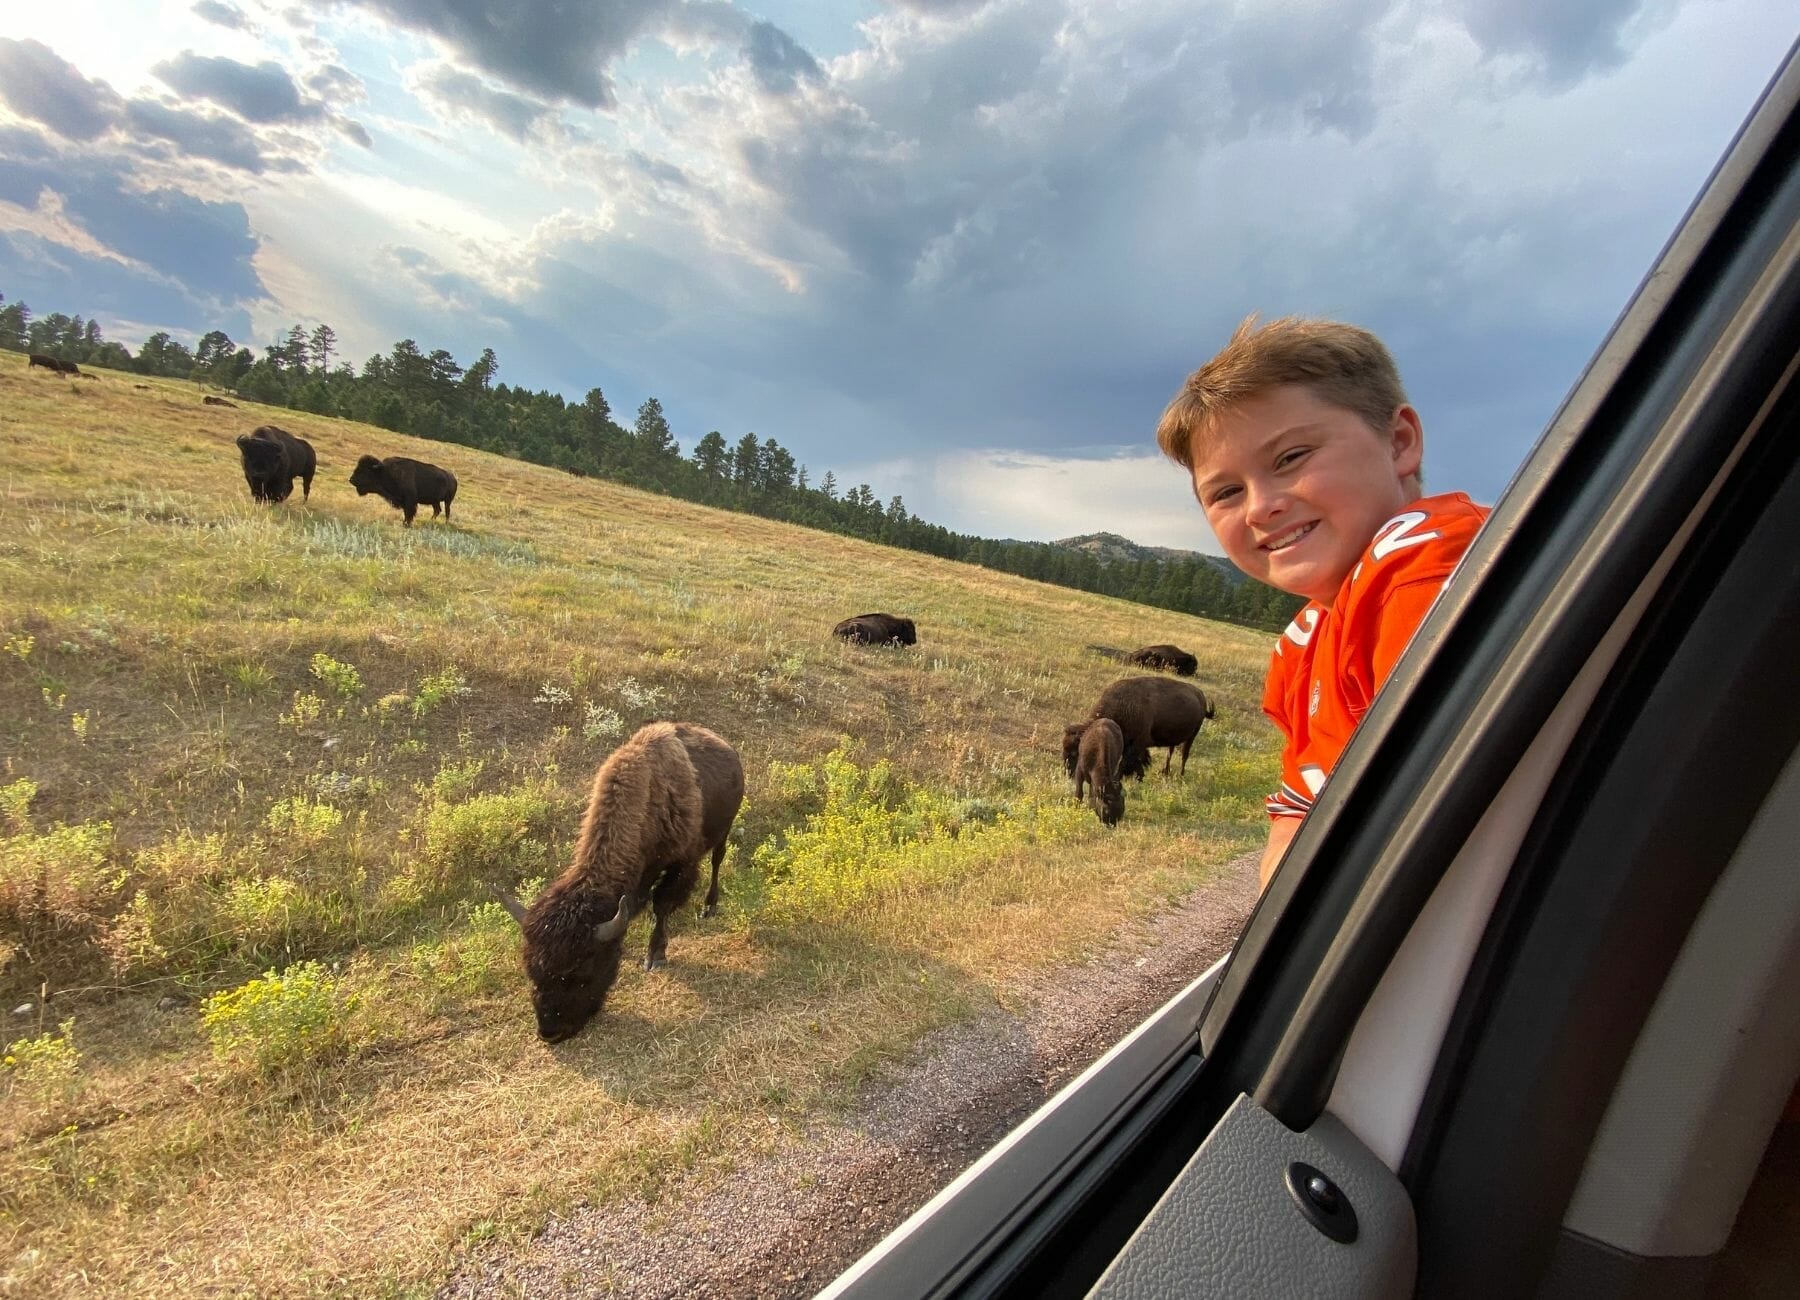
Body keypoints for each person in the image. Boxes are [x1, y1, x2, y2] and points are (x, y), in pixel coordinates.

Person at [1155, 316, 1490, 891]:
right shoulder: (1305, 642)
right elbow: (1297, 819)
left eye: (1291, 457)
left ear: (1399, 441)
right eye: (1226, 492)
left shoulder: (1424, 572)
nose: (1261, 507)